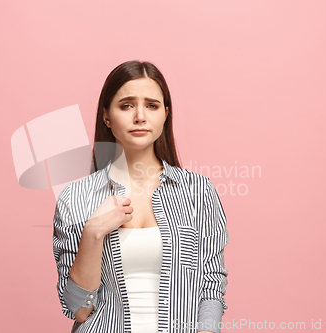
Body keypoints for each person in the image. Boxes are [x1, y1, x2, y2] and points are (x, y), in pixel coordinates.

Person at [52, 60, 229, 333]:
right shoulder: (76, 198)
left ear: (165, 114)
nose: (140, 116)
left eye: (152, 105)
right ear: (106, 116)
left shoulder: (198, 191)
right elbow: (78, 309)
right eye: (126, 105)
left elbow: (211, 286)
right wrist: (93, 233)